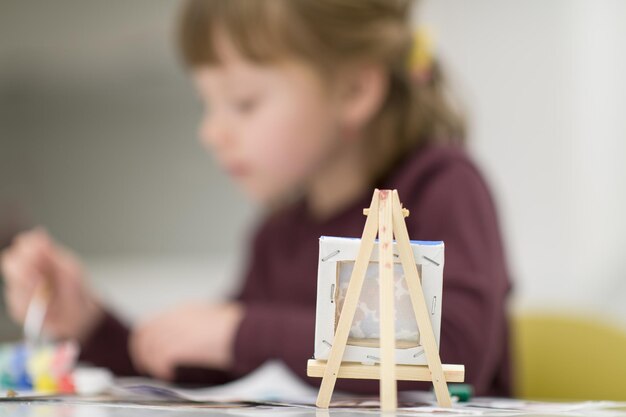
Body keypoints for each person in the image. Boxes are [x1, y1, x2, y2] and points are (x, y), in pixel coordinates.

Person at [0, 0, 511, 396]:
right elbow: (211, 374)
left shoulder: (443, 186)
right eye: (208, 104)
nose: (211, 131)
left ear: (355, 90)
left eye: (243, 103)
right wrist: (88, 322)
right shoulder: (278, 234)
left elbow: (453, 351)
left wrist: (239, 331)